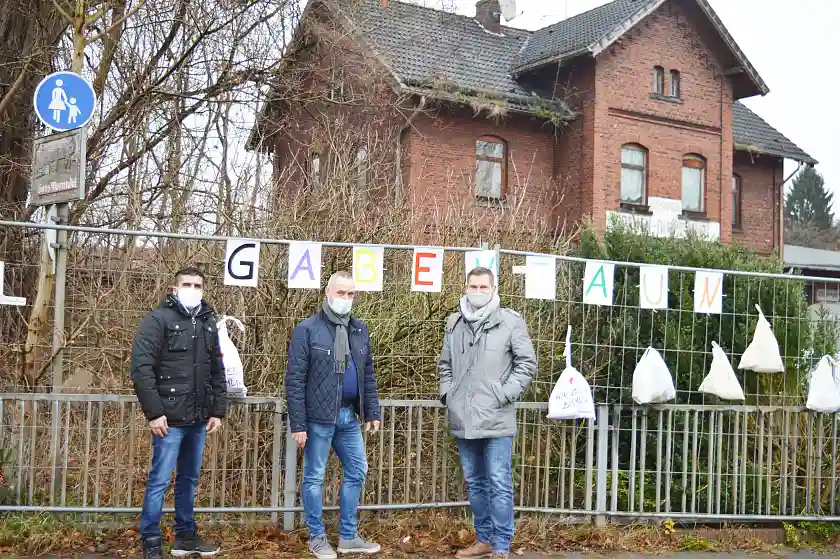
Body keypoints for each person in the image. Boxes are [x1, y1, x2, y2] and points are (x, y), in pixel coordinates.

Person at [438, 267, 536, 559]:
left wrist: (504, 394)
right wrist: (448, 394)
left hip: (496, 418)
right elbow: (445, 365)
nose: (477, 291)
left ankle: (502, 545)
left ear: (494, 289)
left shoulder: (510, 323)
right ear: (465, 287)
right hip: (463, 418)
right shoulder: (453, 323)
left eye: (483, 287)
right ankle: (483, 539)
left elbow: (526, 364)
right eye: (473, 286)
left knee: (499, 481)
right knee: (476, 482)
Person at [131, 266, 227, 559]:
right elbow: (141, 368)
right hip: (168, 420)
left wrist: (217, 410)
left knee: (189, 479)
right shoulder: (157, 320)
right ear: (174, 288)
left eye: (198, 285)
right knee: (159, 480)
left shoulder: (209, 322)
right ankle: (151, 540)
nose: (192, 289)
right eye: (187, 284)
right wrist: (154, 412)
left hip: (199, 419)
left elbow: (217, 370)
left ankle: (186, 537)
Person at [286, 271, 382, 559]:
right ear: (327, 294)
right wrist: (298, 423)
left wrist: (371, 412)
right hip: (317, 419)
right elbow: (295, 379)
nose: (346, 299)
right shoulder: (308, 329)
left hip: (348, 417)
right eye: (341, 293)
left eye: (351, 294)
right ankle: (317, 537)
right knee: (314, 476)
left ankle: (349, 537)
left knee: (357, 469)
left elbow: (367, 374)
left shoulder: (359, 329)